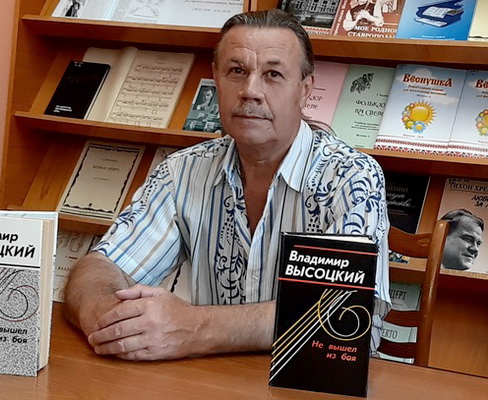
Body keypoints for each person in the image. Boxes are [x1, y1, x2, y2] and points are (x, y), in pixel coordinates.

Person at [64, 9, 390, 361]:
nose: (251, 91)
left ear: (305, 90)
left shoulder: (350, 177)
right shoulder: (183, 171)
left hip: (311, 378)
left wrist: (196, 328)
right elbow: (103, 265)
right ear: (216, 79)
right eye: (237, 71)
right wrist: (105, 317)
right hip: (213, 380)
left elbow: (348, 315)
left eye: (273, 74)